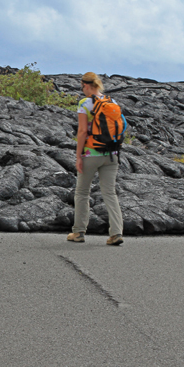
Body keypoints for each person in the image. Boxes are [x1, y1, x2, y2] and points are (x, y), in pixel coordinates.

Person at [67, 72, 124, 245]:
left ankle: (78, 232)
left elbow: (83, 131)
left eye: (82, 86)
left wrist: (78, 156)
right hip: (112, 154)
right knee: (109, 193)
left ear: (85, 85)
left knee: (82, 192)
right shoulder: (112, 102)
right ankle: (116, 233)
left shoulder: (85, 103)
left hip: (91, 153)